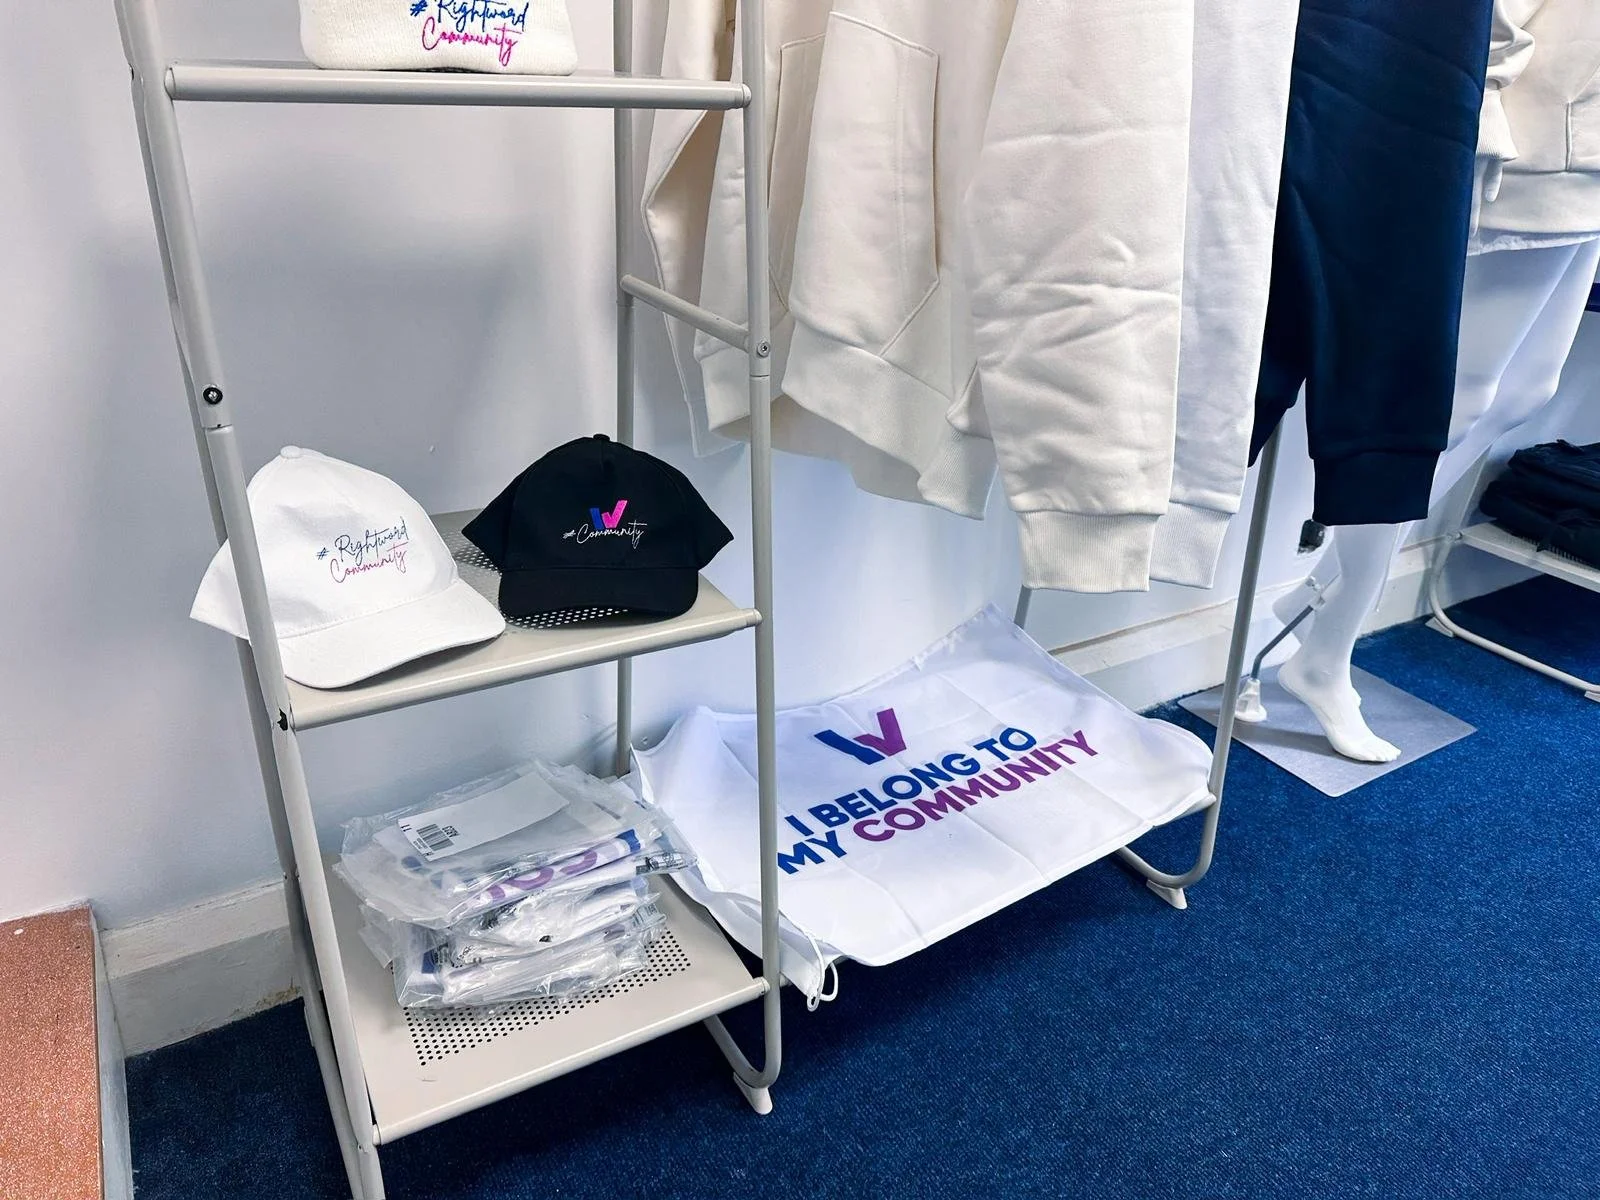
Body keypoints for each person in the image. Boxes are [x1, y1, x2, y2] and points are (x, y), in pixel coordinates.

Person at [1268, 0, 1600, 762]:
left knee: (1527, 392)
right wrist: (1471, 106)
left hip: (1586, 144)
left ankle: (1316, 594)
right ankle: (1324, 649)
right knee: (1441, 401)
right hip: (1533, 130)